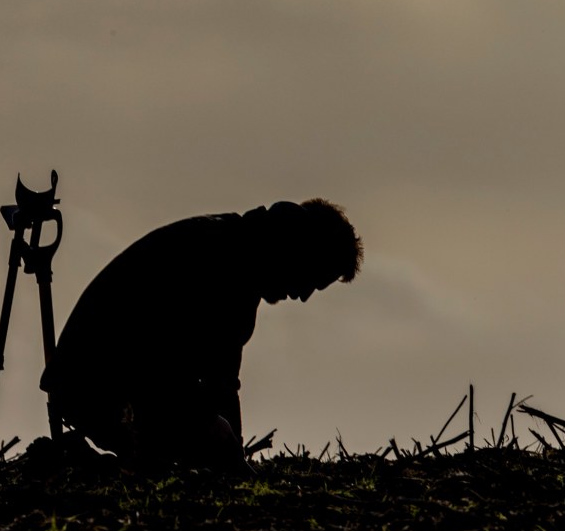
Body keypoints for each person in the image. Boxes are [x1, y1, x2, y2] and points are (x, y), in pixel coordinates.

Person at [39, 198, 363, 472]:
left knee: (198, 439)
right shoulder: (225, 266)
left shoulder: (236, 253)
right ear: (302, 252)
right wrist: (213, 439)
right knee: (189, 441)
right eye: (314, 278)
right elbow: (157, 360)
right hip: (96, 380)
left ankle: (111, 456)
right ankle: (102, 458)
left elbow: (221, 385)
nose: (305, 295)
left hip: (104, 380)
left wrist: (229, 453)